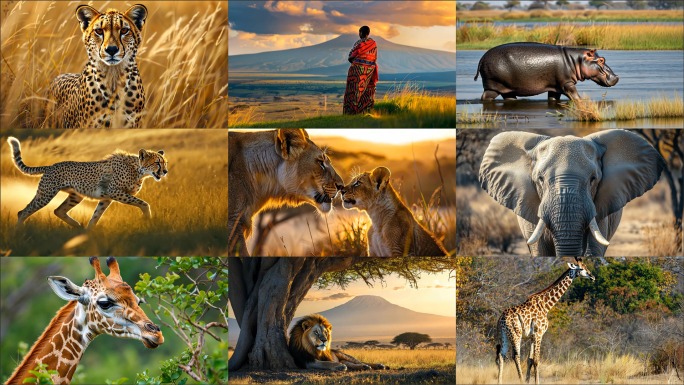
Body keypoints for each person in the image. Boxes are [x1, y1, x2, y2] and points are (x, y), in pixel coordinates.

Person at [343, 26, 378, 115]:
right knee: (367, 90)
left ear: (361, 33)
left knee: (354, 90)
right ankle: (365, 110)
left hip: (356, 70)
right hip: (370, 70)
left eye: (359, 32)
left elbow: (351, 56)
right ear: (368, 33)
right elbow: (374, 57)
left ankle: (351, 112)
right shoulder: (373, 43)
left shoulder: (359, 43)